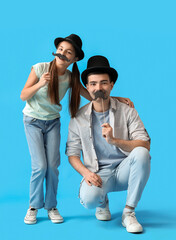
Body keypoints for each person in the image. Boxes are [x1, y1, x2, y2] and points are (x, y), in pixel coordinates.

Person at [20, 35, 133, 225]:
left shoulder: (70, 77)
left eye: (68, 52)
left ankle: (51, 207)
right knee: (39, 166)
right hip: (33, 121)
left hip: (52, 122)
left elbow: (92, 95)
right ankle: (33, 207)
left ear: (74, 59)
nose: (63, 53)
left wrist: (118, 98)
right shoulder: (39, 68)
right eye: (61, 49)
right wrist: (41, 83)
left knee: (53, 167)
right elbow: (23, 95)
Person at [65, 55, 151, 233]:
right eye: (93, 83)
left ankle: (129, 212)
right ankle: (101, 201)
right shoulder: (77, 118)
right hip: (99, 174)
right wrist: (86, 173)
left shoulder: (128, 111)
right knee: (89, 200)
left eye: (104, 83)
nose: (98, 88)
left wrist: (115, 141)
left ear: (111, 85)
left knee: (142, 153)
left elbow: (145, 144)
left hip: (125, 170)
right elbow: (72, 154)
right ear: (87, 87)